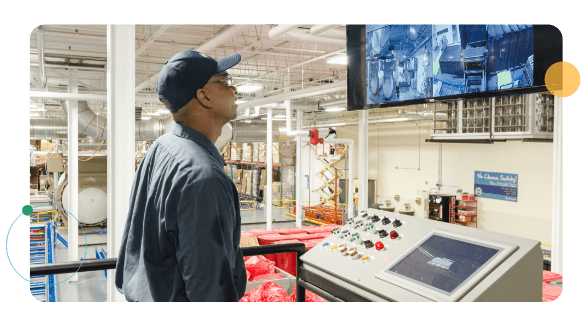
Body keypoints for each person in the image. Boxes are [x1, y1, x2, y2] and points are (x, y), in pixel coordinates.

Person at [115, 51, 247, 302]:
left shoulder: (161, 147)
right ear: (204, 96)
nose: (234, 89)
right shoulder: (203, 178)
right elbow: (210, 294)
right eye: (226, 81)